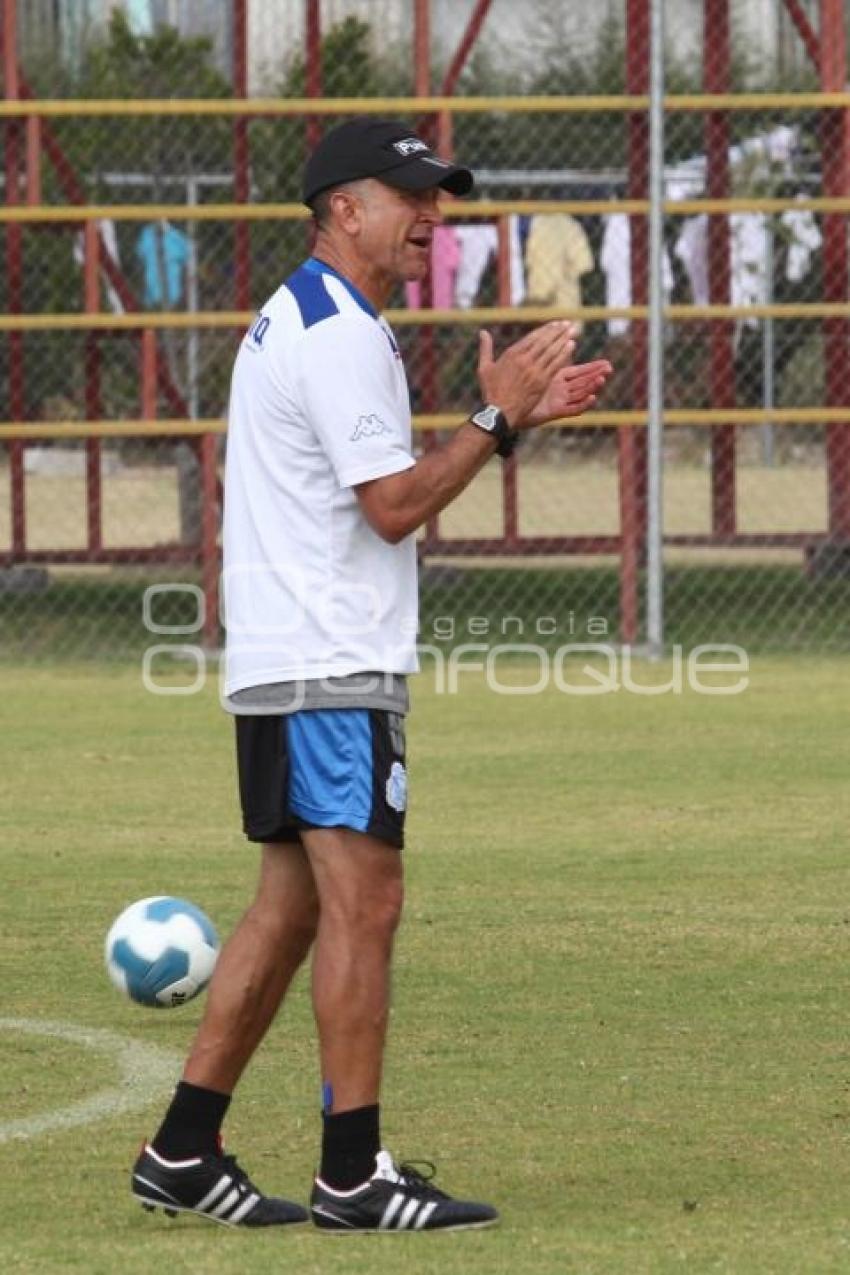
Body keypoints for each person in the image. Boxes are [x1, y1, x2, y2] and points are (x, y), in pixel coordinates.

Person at [131, 117, 612, 1234]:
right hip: (324, 663)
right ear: (343, 208)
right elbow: (391, 507)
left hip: (293, 657)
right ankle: (354, 1173)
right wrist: (493, 416)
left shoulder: (312, 316)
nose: (432, 219)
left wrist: (506, 424)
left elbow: (380, 498)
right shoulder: (339, 331)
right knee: (367, 899)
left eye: (439, 198)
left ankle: (183, 1149)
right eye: (413, 197)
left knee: (293, 906)